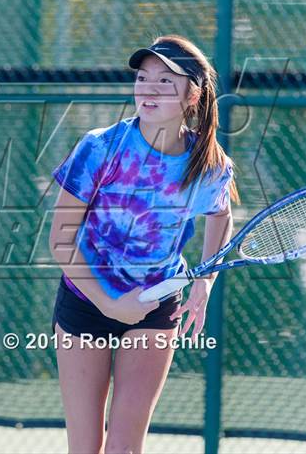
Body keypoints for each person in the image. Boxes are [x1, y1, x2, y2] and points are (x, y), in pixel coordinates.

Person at [49, 34, 239, 454]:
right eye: (142, 77)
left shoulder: (209, 165)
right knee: (85, 447)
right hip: (86, 300)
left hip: (157, 303)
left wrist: (204, 282)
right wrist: (108, 303)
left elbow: (220, 216)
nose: (148, 88)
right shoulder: (99, 147)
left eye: (165, 81)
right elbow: (61, 239)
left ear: (193, 96)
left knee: (125, 447)